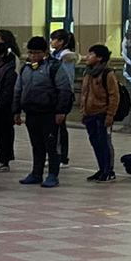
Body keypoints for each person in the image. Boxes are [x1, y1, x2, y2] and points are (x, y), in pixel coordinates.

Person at [14, 35, 74, 187]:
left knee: (52, 145)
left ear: (44, 52)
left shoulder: (54, 67)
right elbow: (18, 90)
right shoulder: (25, 69)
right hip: (31, 112)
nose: (33, 56)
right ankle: (36, 173)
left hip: (50, 113)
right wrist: (16, 111)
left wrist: (61, 111)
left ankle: (53, 174)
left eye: (37, 53)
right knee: (37, 144)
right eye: (31, 53)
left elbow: (64, 90)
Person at [79, 44, 122, 182]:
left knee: (104, 142)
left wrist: (110, 115)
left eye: (91, 54)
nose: (87, 57)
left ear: (99, 58)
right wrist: (83, 111)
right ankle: (101, 169)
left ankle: (108, 171)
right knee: (95, 142)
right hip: (89, 114)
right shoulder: (88, 73)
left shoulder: (107, 74)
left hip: (102, 113)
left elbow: (114, 95)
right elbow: (84, 93)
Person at [0, 29, 20, 172]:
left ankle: (5, 157)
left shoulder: (11, 61)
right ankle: (0, 155)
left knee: (5, 131)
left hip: (6, 102)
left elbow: (11, 84)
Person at [50, 30, 78, 167]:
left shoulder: (67, 57)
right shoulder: (54, 55)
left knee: (60, 126)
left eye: (54, 39)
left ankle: (62, 156)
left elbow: (67, 78)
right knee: (52, 127)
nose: (51, 42)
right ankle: (54, 154)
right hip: (52, 94)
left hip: (63, 94)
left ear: (61, 42)